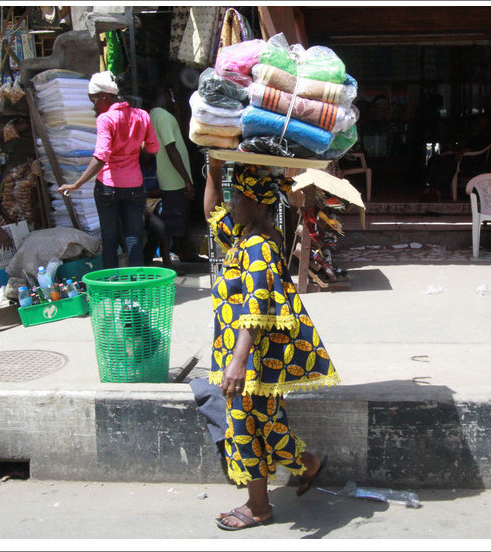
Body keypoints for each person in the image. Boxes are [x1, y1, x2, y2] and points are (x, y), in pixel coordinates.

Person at [204, 157, 339, 531]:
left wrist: (237, 363)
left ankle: (259, 507)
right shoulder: (245, 232)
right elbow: (211, 212)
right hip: (247, 360)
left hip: (250, 361)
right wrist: (215, 170)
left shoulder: (260, 246)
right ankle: (309, 464)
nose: (231, 205)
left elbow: (257, 306)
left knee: (246, 428)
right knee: (265, 423)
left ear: (259, 203)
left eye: (238, 199)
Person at [58, 71, 159, 268]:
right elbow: (153, 148)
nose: (94, 106)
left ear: (104, 95)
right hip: (135, 186)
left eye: (94, 100)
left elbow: (101, 156)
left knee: (110, 240)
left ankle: (113, 289)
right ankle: (135, 286)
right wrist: (133, 154)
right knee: (134, 240)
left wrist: (77, 184)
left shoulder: (106, 119)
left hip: (108, 188)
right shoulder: (142, 115)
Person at [148, 85, 195, 268]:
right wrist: (186, 180)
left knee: (171, 219)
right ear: (166, 96)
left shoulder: (152, 116)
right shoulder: (164, 117)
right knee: (171, 221)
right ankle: (168, 261)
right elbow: (170, 147)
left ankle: (181, 252)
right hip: (173, 180)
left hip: (166, 178)